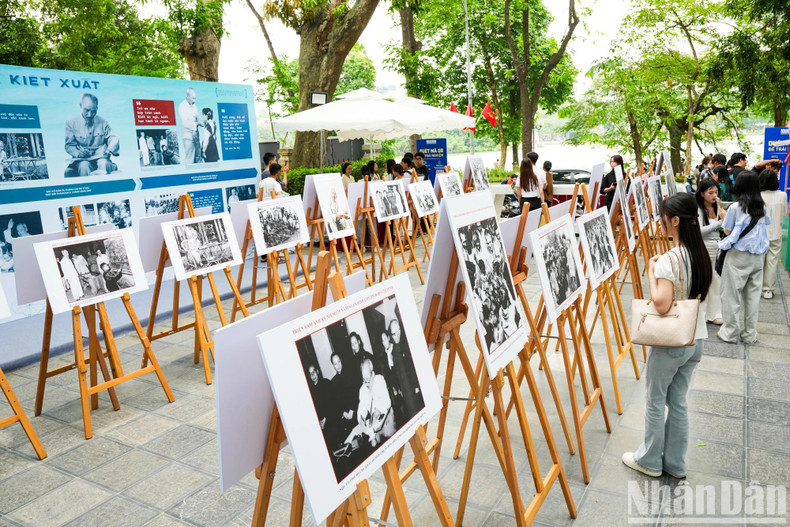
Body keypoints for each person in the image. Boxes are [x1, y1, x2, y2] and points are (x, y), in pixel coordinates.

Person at [622, 193, 712, 479]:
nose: (659, 223)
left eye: (662, 218)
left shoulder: (669, 260)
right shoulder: (700, 253)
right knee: (679, 403)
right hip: (695, 339)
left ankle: (649, 461)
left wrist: (651, 271)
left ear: (674, 221)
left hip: (672, 342)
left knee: (654, 400)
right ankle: (675, 463)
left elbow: (661, 304)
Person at [717, 171, 770, 344]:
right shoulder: (763, 207)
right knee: (753, 297)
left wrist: (724, 217)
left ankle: (730, 333)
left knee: (731, 295)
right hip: (757, 257)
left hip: (738, 257)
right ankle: (749, 334)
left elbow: (727, 232)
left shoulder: (734, 208)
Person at [65, 93, 120, 177]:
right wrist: (79, 153)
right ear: (81, 105)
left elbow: (113, 137)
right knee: (84, 166)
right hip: (82, 159)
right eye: (87, 110)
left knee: (104, 164)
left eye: (93, 111)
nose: (90, 114)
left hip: (101, 157)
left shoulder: (103, 122)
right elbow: (69, 145)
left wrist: (109, 150)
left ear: (97, 107)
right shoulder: (71, 123)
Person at [695, 178, 726, 324]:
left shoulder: (717, 207)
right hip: (704, 248)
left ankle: (715, 313)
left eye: (716, 192)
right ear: (702, 194)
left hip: (718, 247)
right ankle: (703, 313)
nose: (714, 195)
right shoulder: (698, 209)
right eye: (710, 192)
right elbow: (699, 231)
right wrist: (720, 223)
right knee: (705, 280)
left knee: (717, 281)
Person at [759, 169, 786, 299]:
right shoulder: (783, 195)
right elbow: (784, 213)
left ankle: (755, 287)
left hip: (759, 234)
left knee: (759, 261)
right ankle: (768, 289)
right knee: (772, 261)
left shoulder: (757, 195)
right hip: (776, 232)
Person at [177, 87, 205, 164]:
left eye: (195, 98)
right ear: (187, 97)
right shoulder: (182, 106)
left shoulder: (194, 105)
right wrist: (197, 124)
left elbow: (197, 116)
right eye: (193, 98)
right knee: (190, 159)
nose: (194, 100)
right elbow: (185, 123)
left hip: (196, 136)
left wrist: (201, 121)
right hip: (188, 137)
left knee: (198, 157)